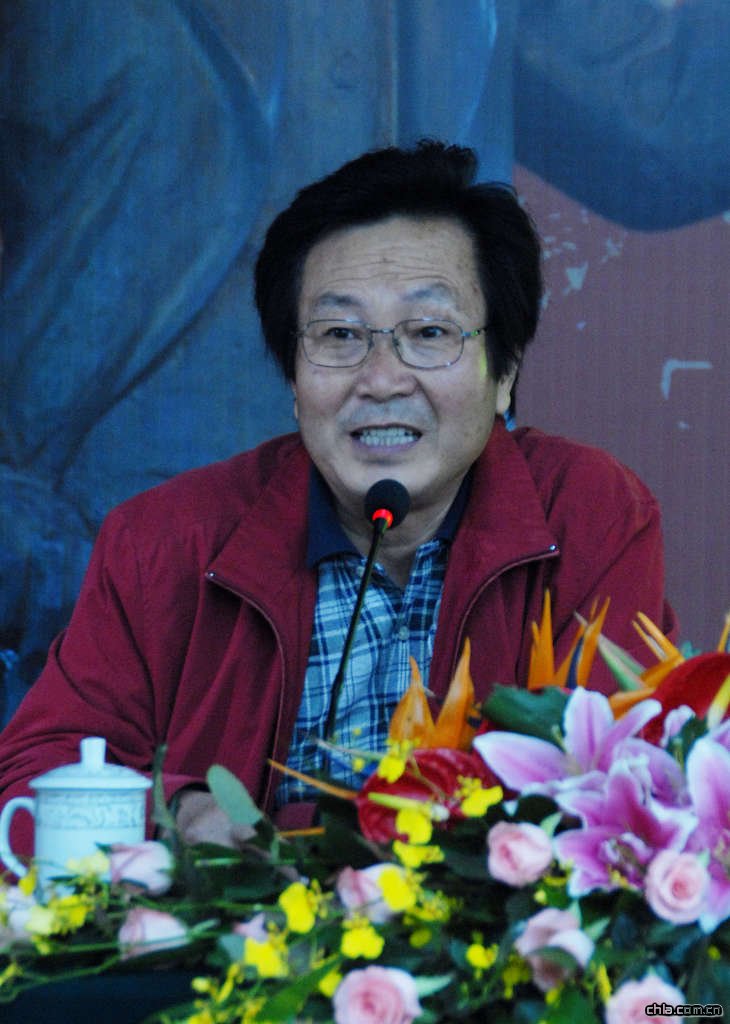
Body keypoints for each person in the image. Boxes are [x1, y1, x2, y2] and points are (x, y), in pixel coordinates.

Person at [0, 141, 676, 854]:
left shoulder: (589, 513)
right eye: (339, 335)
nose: (381, 379)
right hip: (222, 925)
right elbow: (32, 776)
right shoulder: (162, 543)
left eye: (429, 333)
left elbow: (610, 784)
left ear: (503, 374)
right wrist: (180, 814)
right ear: (294, 381)